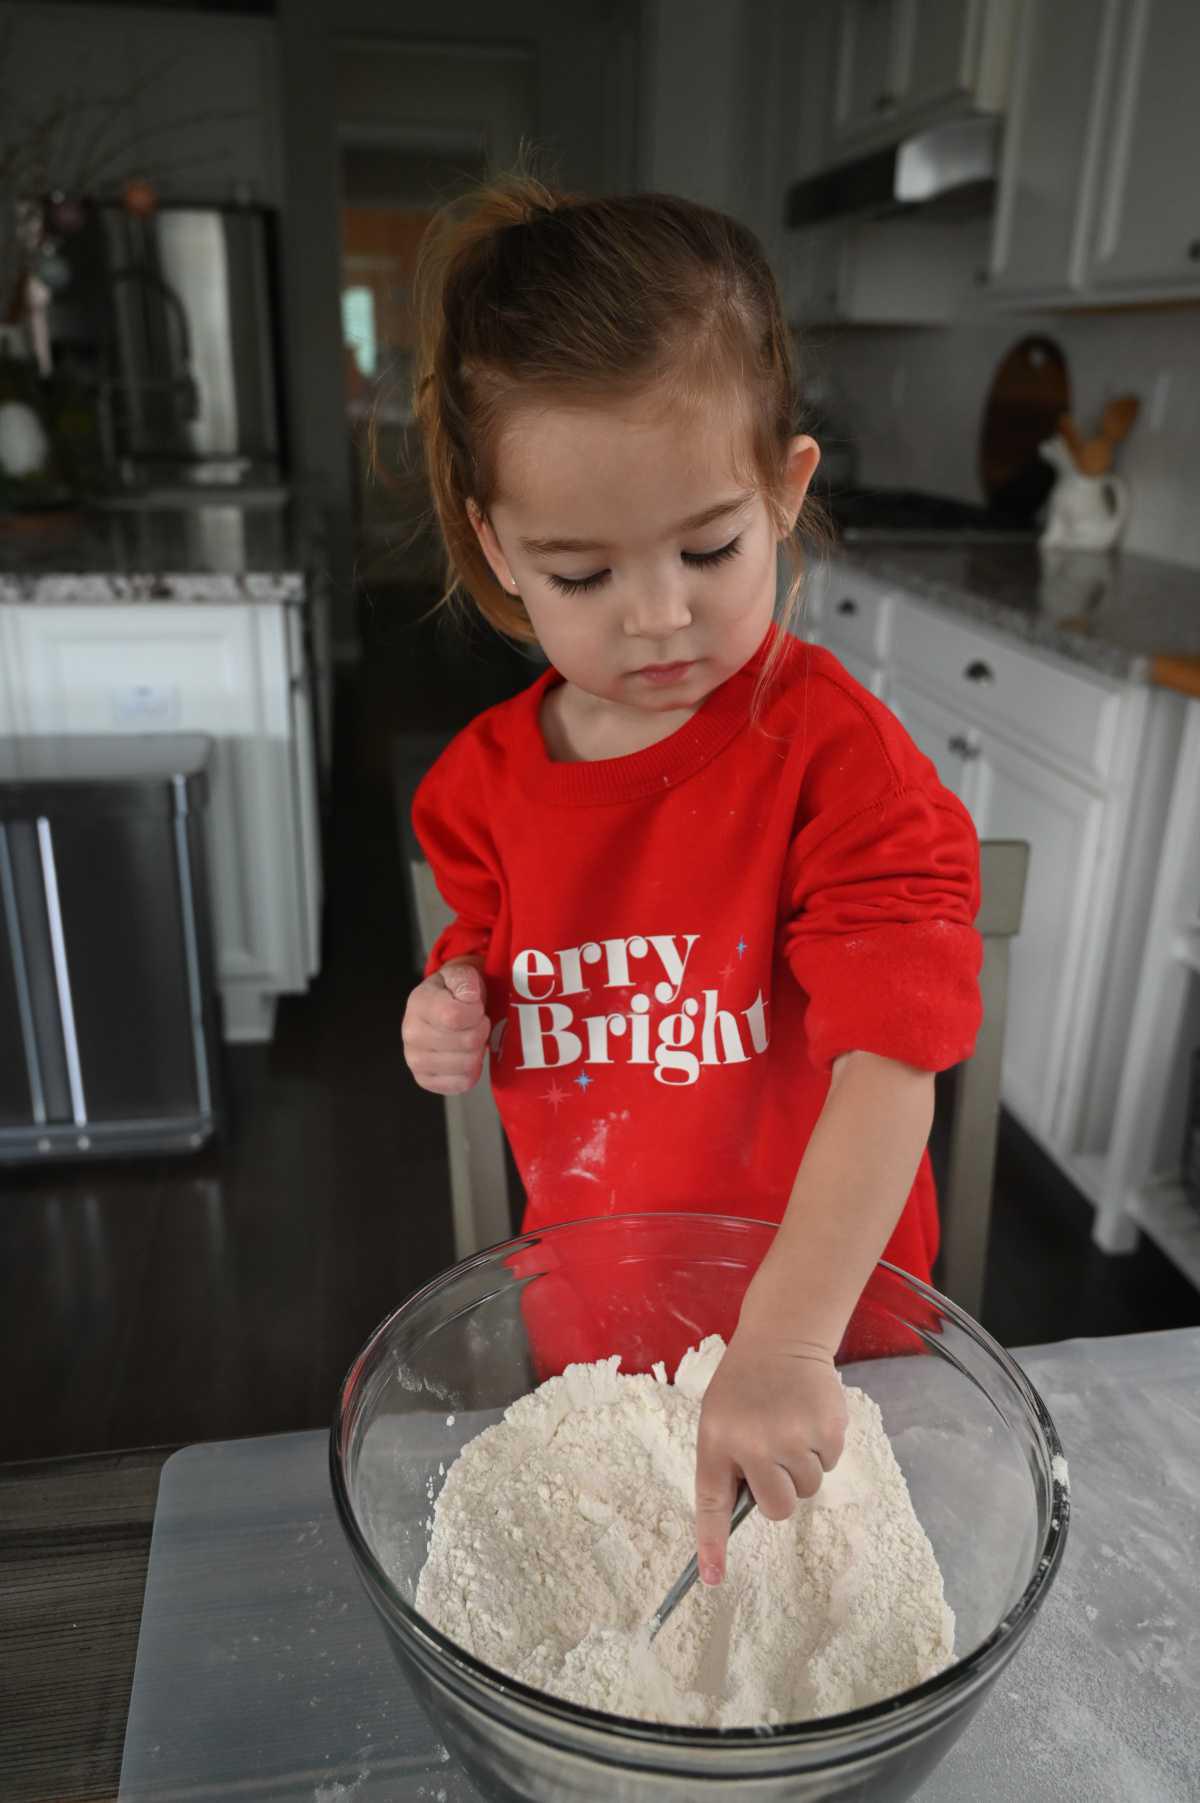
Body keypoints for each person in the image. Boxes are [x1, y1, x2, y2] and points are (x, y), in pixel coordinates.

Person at [399, 164, 983, 1591]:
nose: (657, 616)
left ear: (786, 493)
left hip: (831, 1343)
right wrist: (449, 1001)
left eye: (707, 549)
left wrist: (785, 1345)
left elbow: (893, 1059)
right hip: (594, 1332)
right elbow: (490, 947)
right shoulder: (479, 784)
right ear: (496, 548)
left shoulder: (833, 757)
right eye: (581, 574)